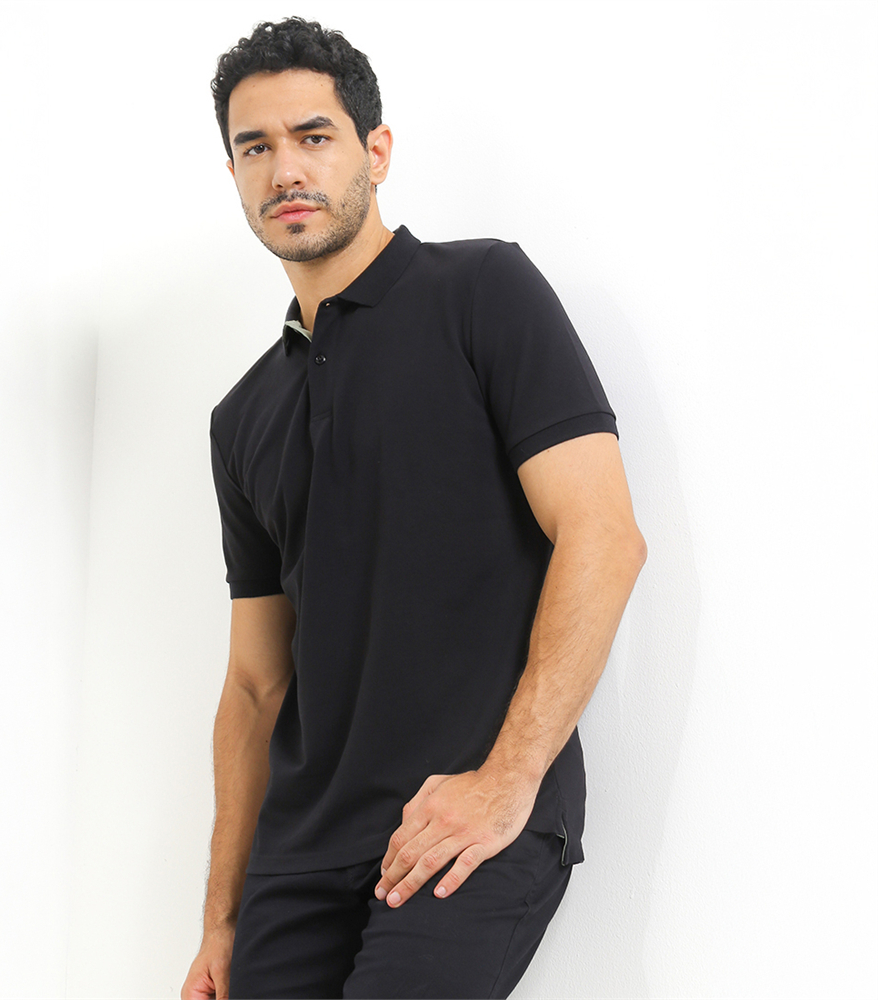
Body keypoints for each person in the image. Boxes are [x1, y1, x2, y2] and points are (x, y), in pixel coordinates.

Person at [182, 17, 646, 1000]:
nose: (284, 169)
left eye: (313, 136)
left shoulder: (482, 291)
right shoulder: (241, 417)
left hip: (464, 818)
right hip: (298, 858)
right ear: (233, 174)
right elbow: (256, 685)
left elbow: (603, 535)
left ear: (376, 150)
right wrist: (220, 918)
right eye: (254, 148)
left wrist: (507, 780)